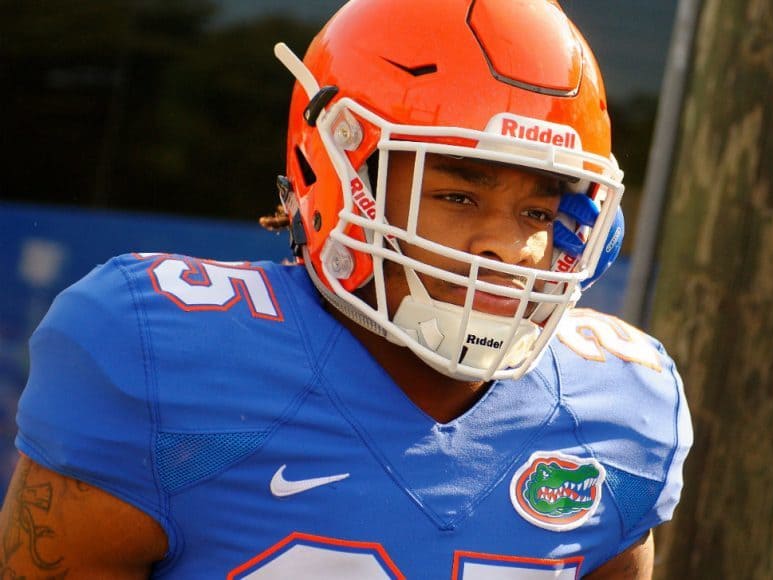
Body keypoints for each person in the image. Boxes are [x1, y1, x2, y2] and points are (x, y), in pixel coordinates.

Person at [0, 0, 692, 577]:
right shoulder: (156, 352)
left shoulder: (622, 406)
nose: (504, 245)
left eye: (539, 212)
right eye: (453, 193)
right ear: (335, 170)